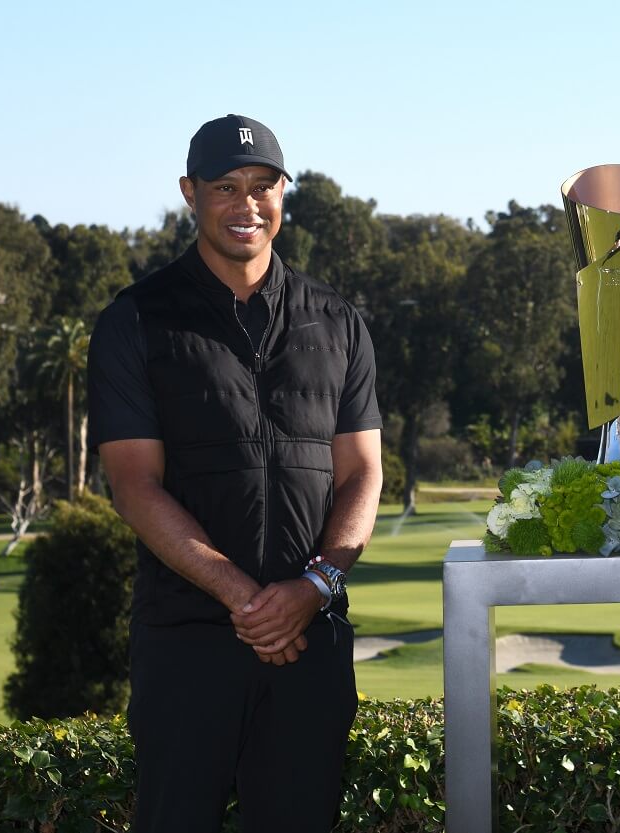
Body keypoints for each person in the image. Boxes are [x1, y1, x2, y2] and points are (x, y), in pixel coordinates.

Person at [88, 114, 383, 833]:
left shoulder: (337, 320)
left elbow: (363, 473)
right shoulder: (136, 320)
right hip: (187, 645)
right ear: (190, 192)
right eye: (225, 186)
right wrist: (252, 601)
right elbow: (135, 485)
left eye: (263, 185)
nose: (247, 203)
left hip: (310, 643)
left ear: (284, 192)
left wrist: (312, 588)